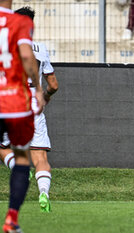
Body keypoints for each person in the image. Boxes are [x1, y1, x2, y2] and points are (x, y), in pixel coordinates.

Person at [0, 6, 58, 214]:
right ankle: (44, 193)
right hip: (34, 109)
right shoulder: (41, 48)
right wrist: (46, 96)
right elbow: (54, 84)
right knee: (40, 157)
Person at [0, 0, 44, 232]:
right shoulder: (20, 21)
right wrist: (37, 88)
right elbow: (27, 57)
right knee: (22, 157)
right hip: (15, 104)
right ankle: (11, 219)